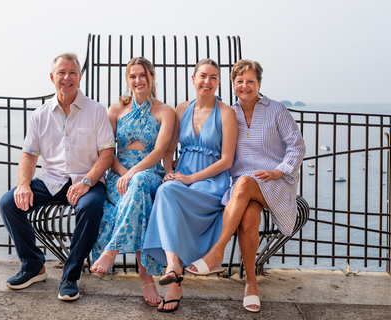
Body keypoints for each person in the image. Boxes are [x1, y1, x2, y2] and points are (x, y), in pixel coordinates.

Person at [186, 59, 306, 313]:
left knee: (243, 185)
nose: (245, 86)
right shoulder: (229, 113)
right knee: (250, 218)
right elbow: (214, 148)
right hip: (242, 184)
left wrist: (278, 171)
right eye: (239, 81)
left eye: (250, 81)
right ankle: (251, 284)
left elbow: (297, 145)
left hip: (273, 181)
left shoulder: (276, 110)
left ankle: (217, 252)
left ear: (259, 84)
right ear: (233, 85)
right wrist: (182, 161)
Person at [0, 53, 115, 301]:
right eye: (61, 73)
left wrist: (87, 182)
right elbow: (29, 155)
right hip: (51, 181)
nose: (67, 77)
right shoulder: (40, 115)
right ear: (52, 77)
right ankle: (33, 265)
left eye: (72, 72)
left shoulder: (96, 111)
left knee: (92, 207)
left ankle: (71, 275)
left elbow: (107, 154)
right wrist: (23, 185)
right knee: (9, 203)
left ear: (79, 77)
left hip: (87, 181)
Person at [143, 59, 238, 313]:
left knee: (170, 194)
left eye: (214, 78)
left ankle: (174, 275)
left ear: (218, 83)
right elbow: (169, 148)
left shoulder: (227, 113)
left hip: (210, 182)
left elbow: (227, 160)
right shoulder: (181, 109)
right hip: (182, 176)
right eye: (203, 76)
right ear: (193, 79)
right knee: (166, 189)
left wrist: (189, 179)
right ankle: (174, 272)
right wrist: (170, 171)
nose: (207, 82)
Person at [90, 57, 175, 307]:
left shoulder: (165, 111)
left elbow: (160, 151)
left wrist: (133, 172)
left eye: (142, 75)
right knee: (138, 199)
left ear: (152, 77)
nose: (137, 80)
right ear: (128, 80)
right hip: (119, 173)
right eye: (132, 76)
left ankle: (111, 250)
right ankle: (146, 278)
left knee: (138, 184)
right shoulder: (115, 110)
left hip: (149, 172)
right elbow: (106, 151)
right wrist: (123, 172)